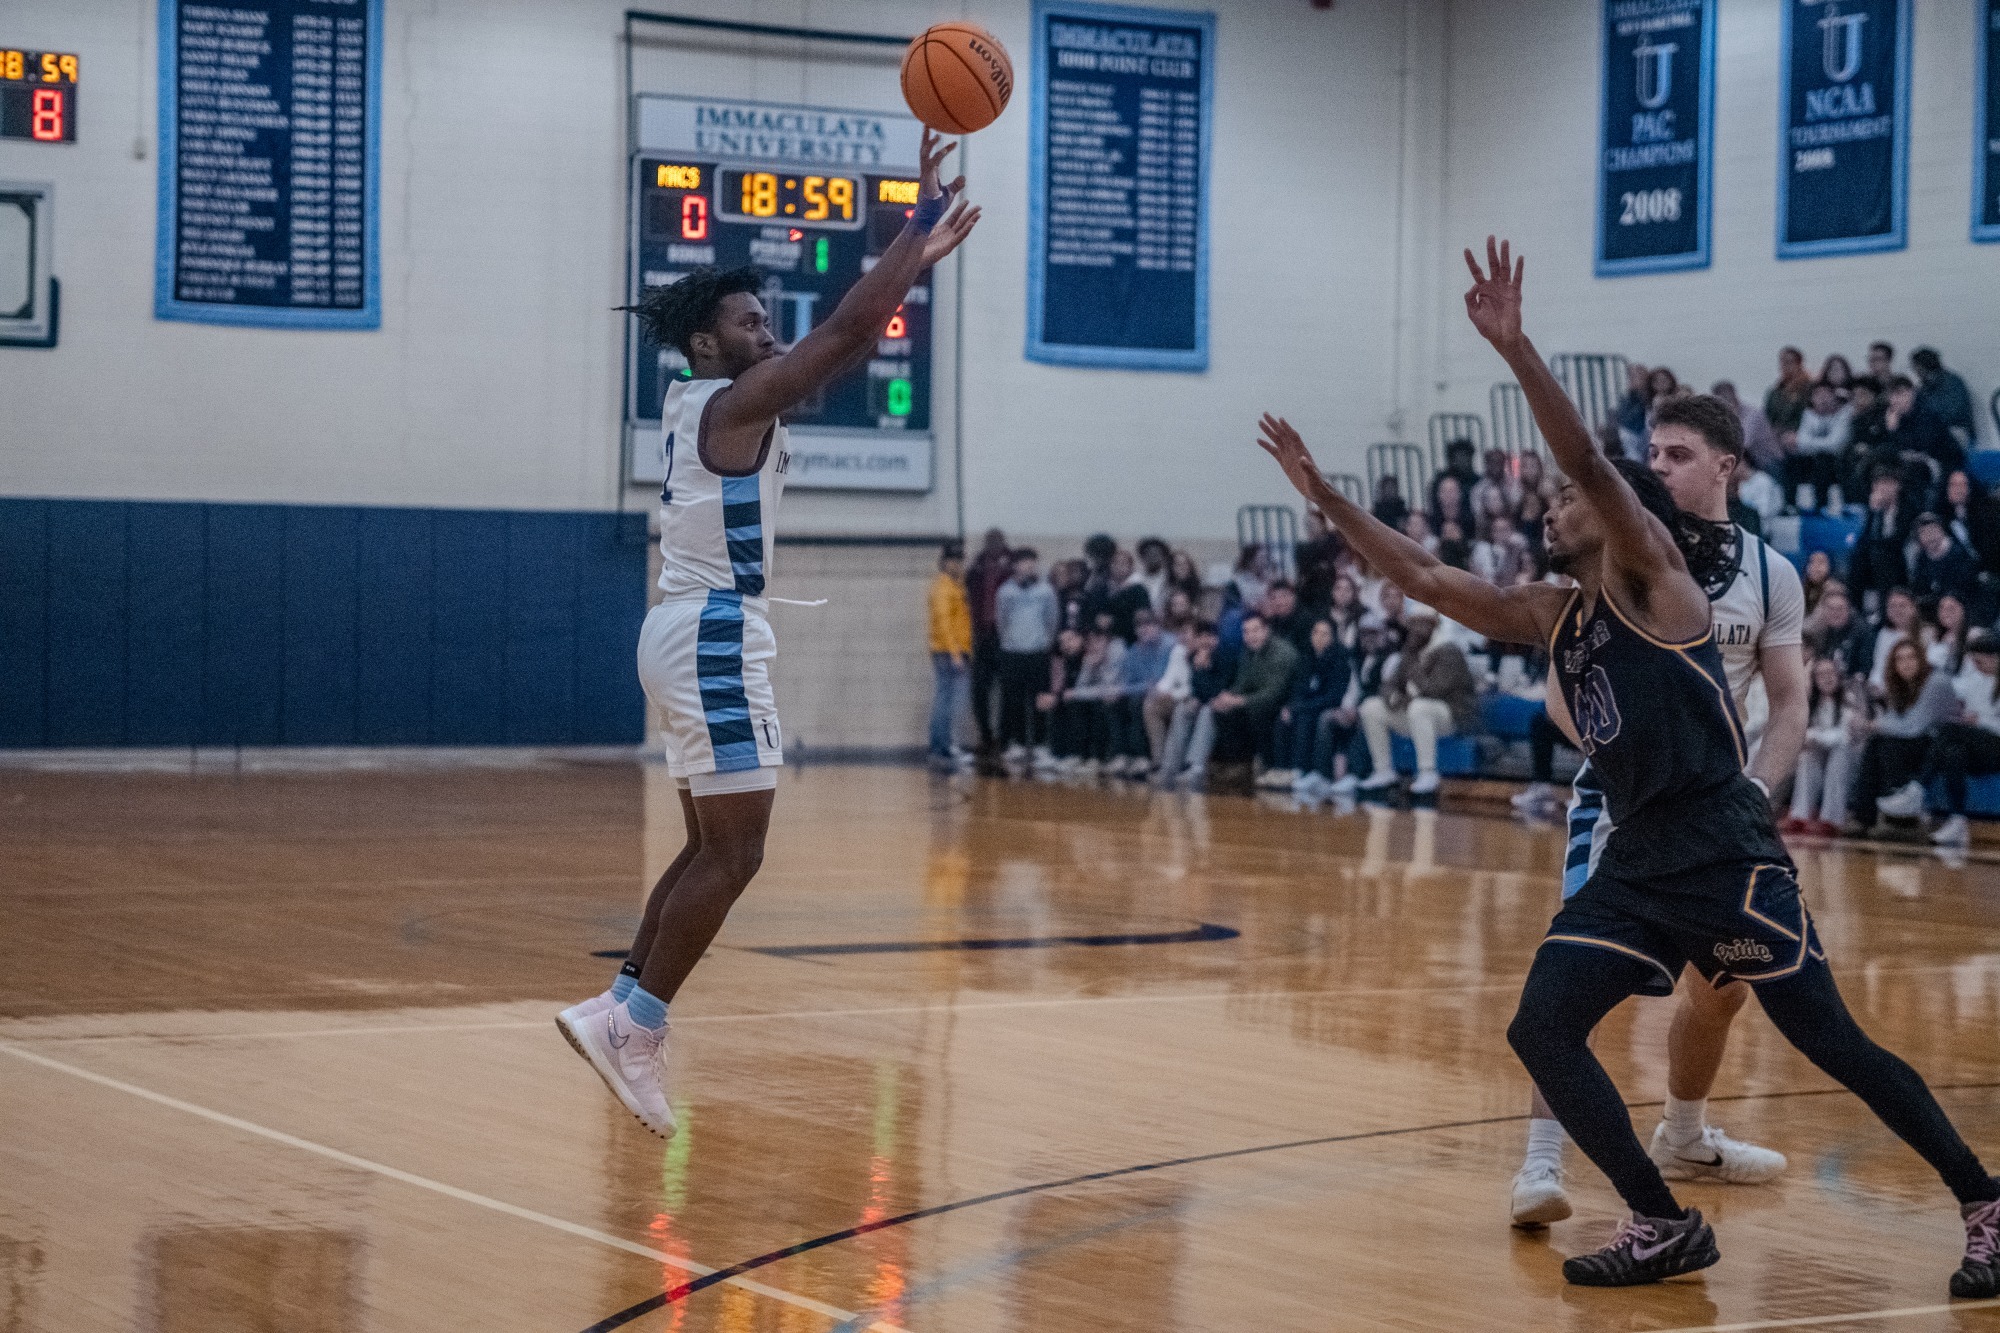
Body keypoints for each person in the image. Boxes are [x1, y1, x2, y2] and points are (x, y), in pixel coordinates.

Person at [1255, 238, 2000, 1294]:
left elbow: (1598, 470)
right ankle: (1661, 1222)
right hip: (1637, 857)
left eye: (1560, 500)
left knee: (1830, 1041)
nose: (1544, 509)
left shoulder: (1657, 586)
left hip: (1723, 852)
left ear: (1601, 517)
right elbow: (1421, 572)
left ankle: (1982, 1199)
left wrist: (1515, 351)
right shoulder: (1545, 611)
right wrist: (1324, 496)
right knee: (1540, 1025)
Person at [556, 131, 980, 1136]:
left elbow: (837, 347)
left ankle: (619, 1005)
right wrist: (909, 226)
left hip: (685, 625)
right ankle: (639, 1027)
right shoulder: (732, 399)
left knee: (710, 842)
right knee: (736, 854)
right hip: (709, 630)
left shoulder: (712, 399)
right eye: (751, 321)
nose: (769, 332)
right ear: (708, 342)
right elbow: (844, 334)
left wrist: (908, 262)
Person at [1502, 389, 1812, 1221]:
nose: (1663, 466)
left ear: (1726, 466)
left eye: (1678, 454)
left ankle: (1685, 1133)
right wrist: (1639, 763)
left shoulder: (1769, 573)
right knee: (1568, 976)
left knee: (1726, 986)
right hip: (1623, 801)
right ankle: (1539, 1163)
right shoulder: (1614, 554)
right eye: (1656, 453)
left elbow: (1788, 702)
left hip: (1717, 810)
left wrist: (1754, 791)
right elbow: (1562, 696)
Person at [1355, 608, 1478, 797]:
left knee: (1420, 707)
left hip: (1452, 717)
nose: (1415, 630)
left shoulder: (1449, 650)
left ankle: (1427, 772)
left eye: (1422, 624)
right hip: (1416, 714)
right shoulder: (1411, 650)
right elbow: (1389, 684)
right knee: (1372, 707)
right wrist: (1393, 697)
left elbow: (1434, 690)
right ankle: (1383, 770)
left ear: (1433, 625)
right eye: (1413, 625)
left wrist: (1413, 667)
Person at [1849, 638, 1957, 835]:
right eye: (1899, 659)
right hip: (1916, 743)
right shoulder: (1900, 687)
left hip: (1941, 747)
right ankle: (1866, 817)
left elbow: (1913, 727)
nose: (1906, 663)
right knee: (1877, 743)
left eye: (1911, 657)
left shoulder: (1937, 682)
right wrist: (1877, 727)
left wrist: (1872, 724)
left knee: (1889, 745)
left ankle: (1900, 819)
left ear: (1922, 659)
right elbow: (1896, 725)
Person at [1903, 630, 2000, 846]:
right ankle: (1957, 819)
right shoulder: (1975, 681)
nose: (1976, 666)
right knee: (1952, 752)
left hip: (1996, 746)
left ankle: (1918, 789)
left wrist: (1980, 722)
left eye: (1980, 661)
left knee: (1949, 730)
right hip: (1980, 747)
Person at [1208, 612, 1298, 772]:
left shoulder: (1282, 653)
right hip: (1257, 698)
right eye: (1246, 631)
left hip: (1285, 702)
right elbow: (1242, 683)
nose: (1250, 636)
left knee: (1256, 711)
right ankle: (1238, 765)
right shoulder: (1248, 651)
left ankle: (1266, 764)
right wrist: (1226, 697)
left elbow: (1274, 694)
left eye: (1255, 630)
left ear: (1266, 630)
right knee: (1222, 710)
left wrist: (1239, 701)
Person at [1270, 618, 1350, 794]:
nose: (1319, 637)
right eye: (1316, 632)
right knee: (1282, 716)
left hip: (1330, 706)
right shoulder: (1306, 657)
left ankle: (1302, 770)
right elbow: (1298, 689)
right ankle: (1282, 769)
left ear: (1333, 637)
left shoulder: (1340, 659)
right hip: (1308, 706)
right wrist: (1290, 706)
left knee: (1307, 717)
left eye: (1325, 634)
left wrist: (1301, 708)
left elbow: (1334, 696)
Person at [997, 548, 1059, 764]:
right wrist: (1010, 642)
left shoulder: (1046, 591)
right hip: (1012, 653)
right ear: (1015, 566)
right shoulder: (1005, 592)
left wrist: (1044, 643)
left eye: (1033, 562)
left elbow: (1052, 620)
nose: (1029, 566)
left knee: (1040, 700)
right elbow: (1001, 621)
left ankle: (1041, 745)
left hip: (1038, 653)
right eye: (1025, 562)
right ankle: (1016, 743)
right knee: (1013, 700)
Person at [1782, 656, 1857, 836]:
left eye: (1830, 673)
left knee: (1838, 756)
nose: (1827, 678)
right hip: (1822, 754)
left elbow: (1844, 736)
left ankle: (1831, 818)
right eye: (1821, 675)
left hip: (1848, 756)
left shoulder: (1850, 698)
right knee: (1807, 757)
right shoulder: (1812, 704)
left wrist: (1815, 737)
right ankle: (1800, 814)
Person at [964, 528, 1014, 754]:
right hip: (982, 634)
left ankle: (1005, 737)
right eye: (989, 541)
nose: (993, 545)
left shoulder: (1013, 566)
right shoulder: (976, 567)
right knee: (979, 690)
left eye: (997, 542)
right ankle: (986, 735)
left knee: (1007, 689)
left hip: (1004, 636)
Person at [1109, 609, 1173, 776]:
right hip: (1140, 690)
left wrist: (1129, 689)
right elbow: (1128, 679)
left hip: (1165, 692)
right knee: (1115, 702)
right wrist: (1118, 691)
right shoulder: (1135, 650)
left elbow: (1157, 680)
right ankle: (1121, 754)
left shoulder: (1168, 645)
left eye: (1148, 625)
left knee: (1137, 702)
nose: (1144, 630)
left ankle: (1142, 756)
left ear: (1158, 626)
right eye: (1139, 626)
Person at [927, 541, 973, 769]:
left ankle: (941, 747)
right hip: (949, 651)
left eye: (960, 561)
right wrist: (955, 653)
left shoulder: (955, 585)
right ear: (944, 563)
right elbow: (944, 623)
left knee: (945, 698)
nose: (957, 565)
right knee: (953, 701)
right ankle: (946, 746)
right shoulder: (943, 588)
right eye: (953, 561)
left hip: (953, 649)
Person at [1849, 469, 1914, 610]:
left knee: (1881, 555)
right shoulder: (1872, 511)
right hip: (1875, 562)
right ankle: (1856, 610)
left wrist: (1877, 514)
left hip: (1899, 559)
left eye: (1887, 483)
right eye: (1877, 484)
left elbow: (1899, 540)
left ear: (1897, 486)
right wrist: (1875, 513)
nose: (1882, 488)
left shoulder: (1907, 508)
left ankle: (1886, 613)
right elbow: (1864, 540)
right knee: (1858, 558)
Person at [1790, 380, 1852, 511]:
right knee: (1792, 461)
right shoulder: (1808, 414)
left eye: (1826, 394)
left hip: (1838, 461)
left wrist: (1807, 443)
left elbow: (1835, 444)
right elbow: (1800, 444)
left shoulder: (1844, 414)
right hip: (1812, 459)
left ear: (1834, 396)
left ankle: (1822, 505)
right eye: (1818, 395)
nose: (1823, 399)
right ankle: (1791, 505)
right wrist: (1805, 443)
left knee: (1823, 459)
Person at [1912, 347, 1977, 449]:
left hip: (1956, 430)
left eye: (1916, 367)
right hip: (1936, 431)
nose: (1915, 371)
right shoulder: (1923, 388)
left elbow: (1954, 413)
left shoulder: (1952, 382)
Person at [1713, 381, 1782, 475]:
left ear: (1734, 399)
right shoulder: (1725, 417)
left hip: (1769, 463)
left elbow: (1743, 443)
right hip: (1752, 462)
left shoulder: (1752, 414)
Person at [1765, 346, 1814, 451]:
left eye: (1789, 362)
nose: (1784, 366)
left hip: (1796, 436)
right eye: (1782, 362)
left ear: (1798, 364)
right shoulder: (1775, 391)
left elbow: (1806, 414)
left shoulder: (1808, 388)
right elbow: (1767, 416)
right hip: (1775, 436)